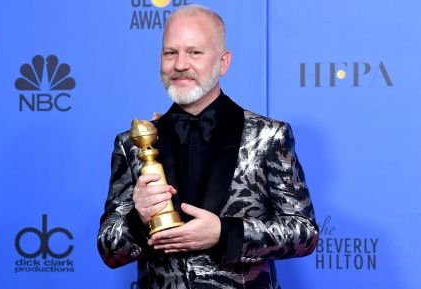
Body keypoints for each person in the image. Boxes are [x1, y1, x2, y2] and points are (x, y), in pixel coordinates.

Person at [98, 4, 318, 289]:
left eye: (195, 52)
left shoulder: (268, 136)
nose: (180, 65)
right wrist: (137, 217)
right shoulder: (131, 143)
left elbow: (304, 233)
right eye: (170, 53)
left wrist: (225, 234)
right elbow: (109, 250)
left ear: (223, 63)